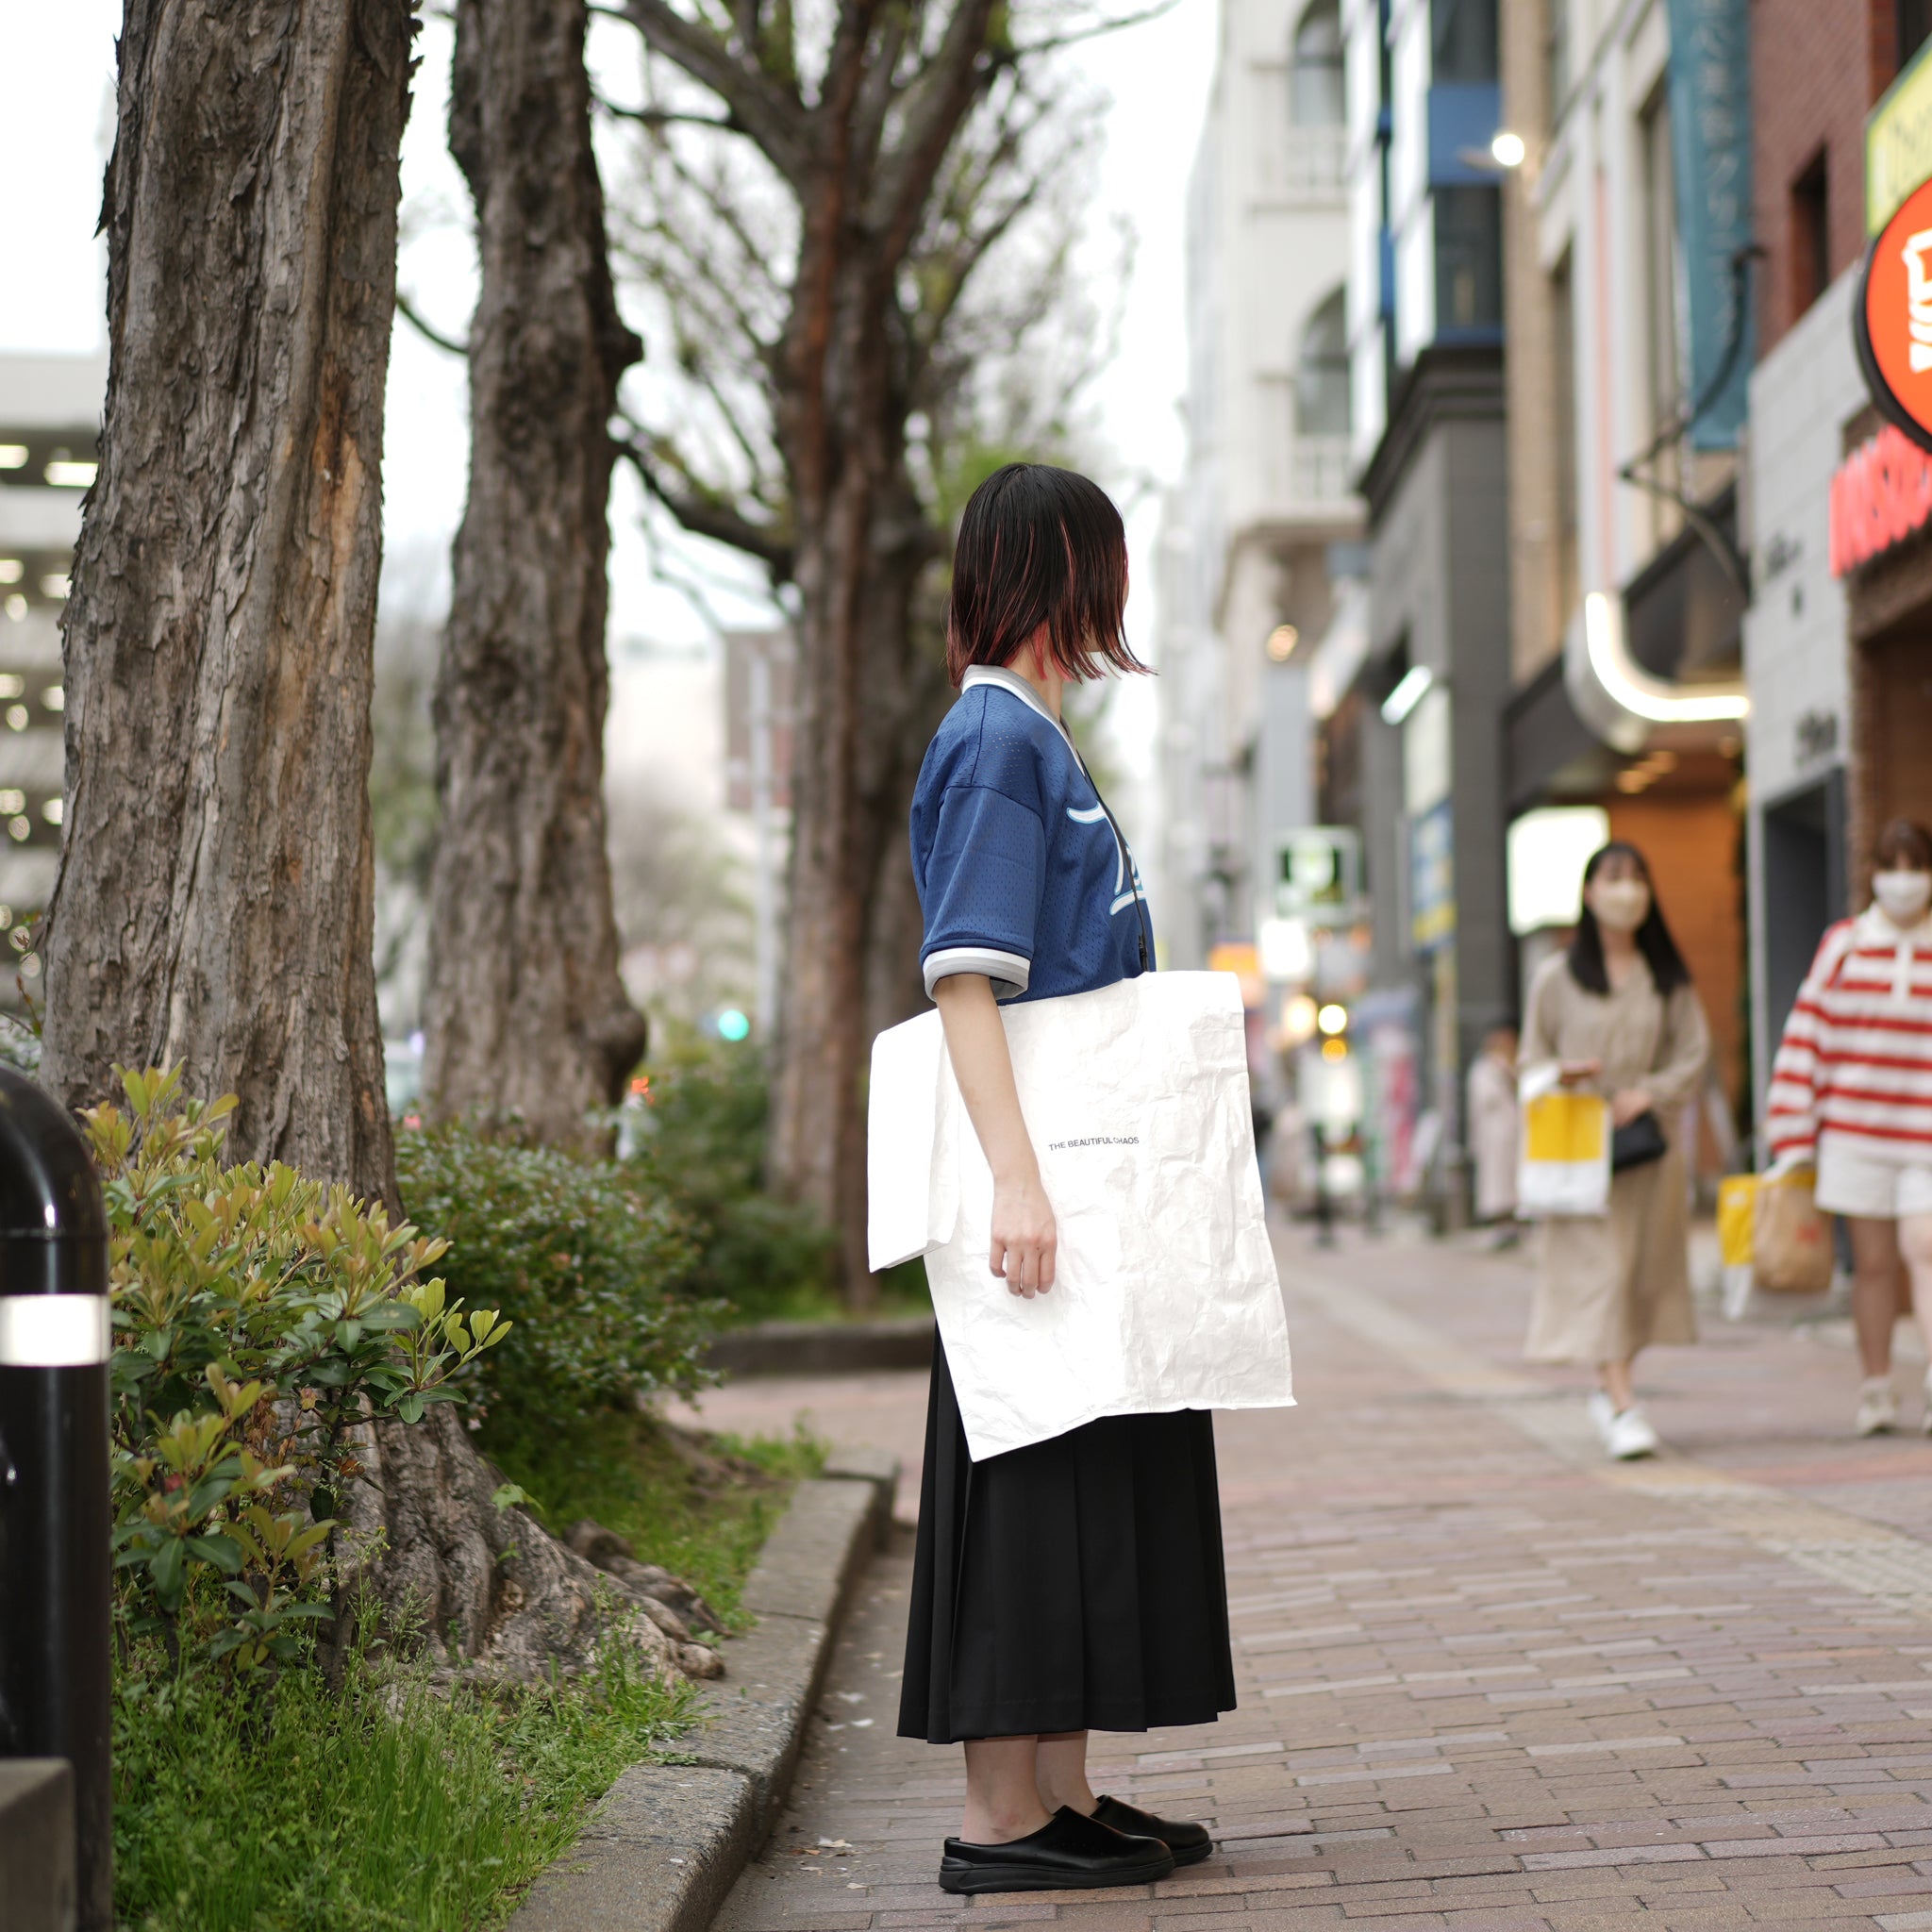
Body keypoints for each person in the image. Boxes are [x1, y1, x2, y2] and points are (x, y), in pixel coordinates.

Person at [896, 463, 1234, 1895]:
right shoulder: (994, 743)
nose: (1117, 597)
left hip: (1088, 1170)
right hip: (1049, 1179)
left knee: (1082, 1471)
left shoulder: (1034, 734)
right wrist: (1016, 1184)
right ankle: (1001, 1821)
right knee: (1033, 1475)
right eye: (1103, 565)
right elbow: (968, 978)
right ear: (1059, 572)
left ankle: (1062, 1791)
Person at [1521, 843, 1710, 1459]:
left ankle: (1608, 1389)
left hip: (1647, 1150)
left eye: (1637, 879)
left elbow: (1692, 1052)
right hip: (1578, 1151)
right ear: (1588, 892)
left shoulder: (1666, 978)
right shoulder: (1557, 978)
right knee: (1600, 1272)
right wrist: (1565, 1073)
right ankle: (1624, 1402)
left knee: (1639, 1276)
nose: (1626, 891)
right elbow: (1528, 1062)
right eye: (1613, 879)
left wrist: (1648, 1092)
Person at [1766, 818, 1932, 1436]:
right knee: (1875, 1266)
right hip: (1855, 1133)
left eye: (1917, 866)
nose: (1905, 881)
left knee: (1926, 1249)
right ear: (1872, 874)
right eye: (1892, 866)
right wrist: (1792, 1131)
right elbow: (1808, 1036)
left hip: (1925, 1133)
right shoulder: (1846, 944)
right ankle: (1877, 1386)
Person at [1467, 1023, 1521, 1241]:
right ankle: (1501, 1225)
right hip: (1495, 1134)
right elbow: (1487, 1098)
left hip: (1512, 1132)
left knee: (1511, 1179)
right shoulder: (1484, 1069)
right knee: (1497, 1181)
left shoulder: (1512, 1066)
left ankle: (1513, 1224)